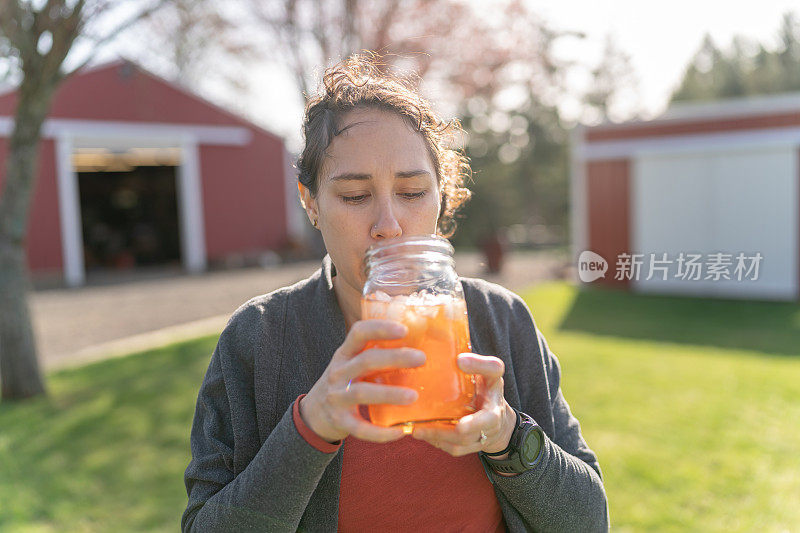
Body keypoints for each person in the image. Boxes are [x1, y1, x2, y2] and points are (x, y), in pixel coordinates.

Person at [182, 54, 609, 532]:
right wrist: (310, 428)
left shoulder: (501, 320)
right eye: (354, 197)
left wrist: (509, 437)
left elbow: (589, 521)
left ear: (441, 195)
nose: (389, 226)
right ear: (311, 202)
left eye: (411, 192)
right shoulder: (258, 338)